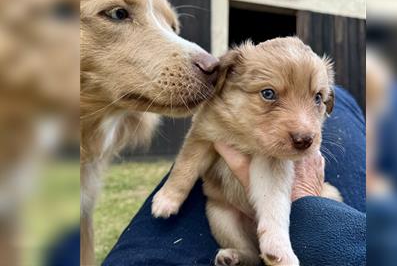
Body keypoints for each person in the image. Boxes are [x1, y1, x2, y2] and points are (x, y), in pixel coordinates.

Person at [103, 87, 366, 266]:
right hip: (233, 208)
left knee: (327, 195)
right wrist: (175, 190)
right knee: (219, 211)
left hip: (317, 234)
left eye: (318, 98)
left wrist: (306, 206)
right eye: (269, 94)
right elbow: (198, 143)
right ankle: (247, 255)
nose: (302, 125)